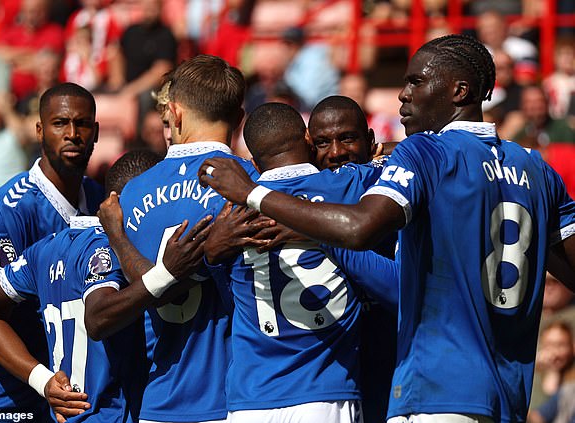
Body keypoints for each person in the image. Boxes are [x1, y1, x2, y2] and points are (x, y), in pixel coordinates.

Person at [198, 33, 575, 422]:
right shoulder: (536, 168)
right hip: (509, 394)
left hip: (437, 390)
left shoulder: (426, 152)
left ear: (460, 91)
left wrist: (253, 194)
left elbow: (361, 228)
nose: (402, 95)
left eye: (416, 81)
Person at [0, 149, 212, 422]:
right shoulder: (106, 249)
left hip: (58, 409)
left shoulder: (45, 248)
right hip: (76, 410)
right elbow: (97, 317)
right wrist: (168, 273)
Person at [200, 102, 397, 423]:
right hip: (325, 392)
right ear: (308, 139)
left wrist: (211, 256)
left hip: (250, 399)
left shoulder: (231, 212)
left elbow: (227, 300)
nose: (334, 153)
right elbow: (412, 159)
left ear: (252, 160)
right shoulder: (349, 185)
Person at [102, 54, 260, 423]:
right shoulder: (255, 187)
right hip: (237, 399)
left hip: (160, 398)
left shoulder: (130, 195)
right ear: (239, 120)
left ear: (174, 112)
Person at [0, 82, 104, 421]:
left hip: (48, 399)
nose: (72, 133)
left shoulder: (99, 200)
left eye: (82, 123)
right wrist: (43, 380)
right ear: (40, 130)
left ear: (96, 132)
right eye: (60, 123)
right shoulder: (6, 211)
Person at [308, 95, 397, 423]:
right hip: (326, 385)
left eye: (347, 138)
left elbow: (401, 290)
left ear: (370, 140)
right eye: (322, 142)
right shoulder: (295, 198)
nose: (335, 152)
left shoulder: (396, 188)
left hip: (393, 373)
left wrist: (323, 234)